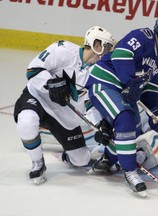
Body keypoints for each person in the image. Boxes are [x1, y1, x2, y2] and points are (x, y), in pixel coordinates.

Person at [84, 14, 158, 197]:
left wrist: (157, 111)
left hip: (123, 90)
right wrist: (130, 81)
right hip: (105, 82)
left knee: (133, 133)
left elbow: (152, 85)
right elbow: (122, 54)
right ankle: (130, 172)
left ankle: (107, 160)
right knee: (125, 120)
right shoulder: (143, 36)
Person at [13, 26, 115, 185]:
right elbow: (32, 70)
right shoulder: (63, 50)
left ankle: (46, 133)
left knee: (81, 160)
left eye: (108, 49)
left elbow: (91, 103)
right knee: (26, 121)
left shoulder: (98, 73)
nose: (102, 52)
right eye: (100, 45)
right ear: (90, 42)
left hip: (64, 118)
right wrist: (51, 84)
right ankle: (37, 162)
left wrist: (100, 124)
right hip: (37, 98)